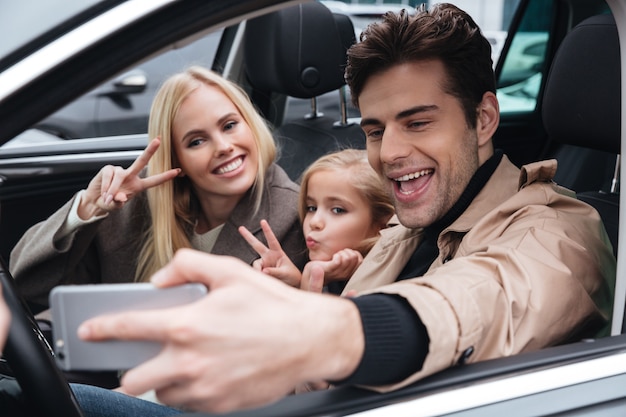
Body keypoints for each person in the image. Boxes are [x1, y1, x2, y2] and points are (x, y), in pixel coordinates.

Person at [76, 3, 615, 414]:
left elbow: (488, 299)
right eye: (376, 130)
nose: (392, 152)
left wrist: (318, 330)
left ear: (484, 119)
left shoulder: (560, 231)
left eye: (419, 121)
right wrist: (308, 300)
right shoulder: (398, 235)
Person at [9, 66, 308, 311]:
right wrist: (88, 207)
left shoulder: (295, 214)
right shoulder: (134, 207)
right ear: (177, 160)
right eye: (196, 141)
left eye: (229, 125)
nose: (224, 147)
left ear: (250, 124)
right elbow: (24, 283)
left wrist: (296, 292)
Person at [238, 148, 395, 293]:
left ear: (381, 223)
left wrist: (309, 279)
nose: (314, 222)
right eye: (311, 208)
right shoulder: (332, 272)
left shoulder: (390, 283)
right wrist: (297, 284)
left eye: (337, 210)